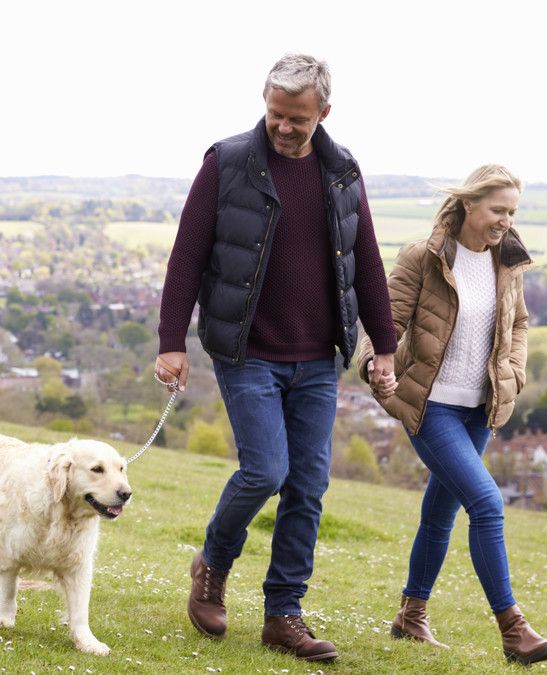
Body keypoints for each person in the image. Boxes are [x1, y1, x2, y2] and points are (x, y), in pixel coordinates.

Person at [154, 52, 397, 663]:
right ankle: (212, 564)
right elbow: (187, 255)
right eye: (275, 115)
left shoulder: (342, 171)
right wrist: (170, 342)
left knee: (308, 485)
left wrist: (385, 347)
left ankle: (283, 614)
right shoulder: (228, 161)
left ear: (323, 113)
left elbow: (365, 262)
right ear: (264, 104)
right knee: (266, 471)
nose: (284, 128)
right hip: (247, 350)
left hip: (317, 356)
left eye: (298, 119)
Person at [354, 164, 547, 665]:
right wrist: (372, 363)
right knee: (487, 504)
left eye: (511, 211)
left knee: (440, 513)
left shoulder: (506, 262)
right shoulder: (422, 258)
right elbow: (388, 320)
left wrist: (513, 372)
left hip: (478, 410)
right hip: (431, 405)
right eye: (497, 210)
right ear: (469, 204)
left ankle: (410, 614)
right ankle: (514, 630)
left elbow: (520, 323)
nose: (505, 221)